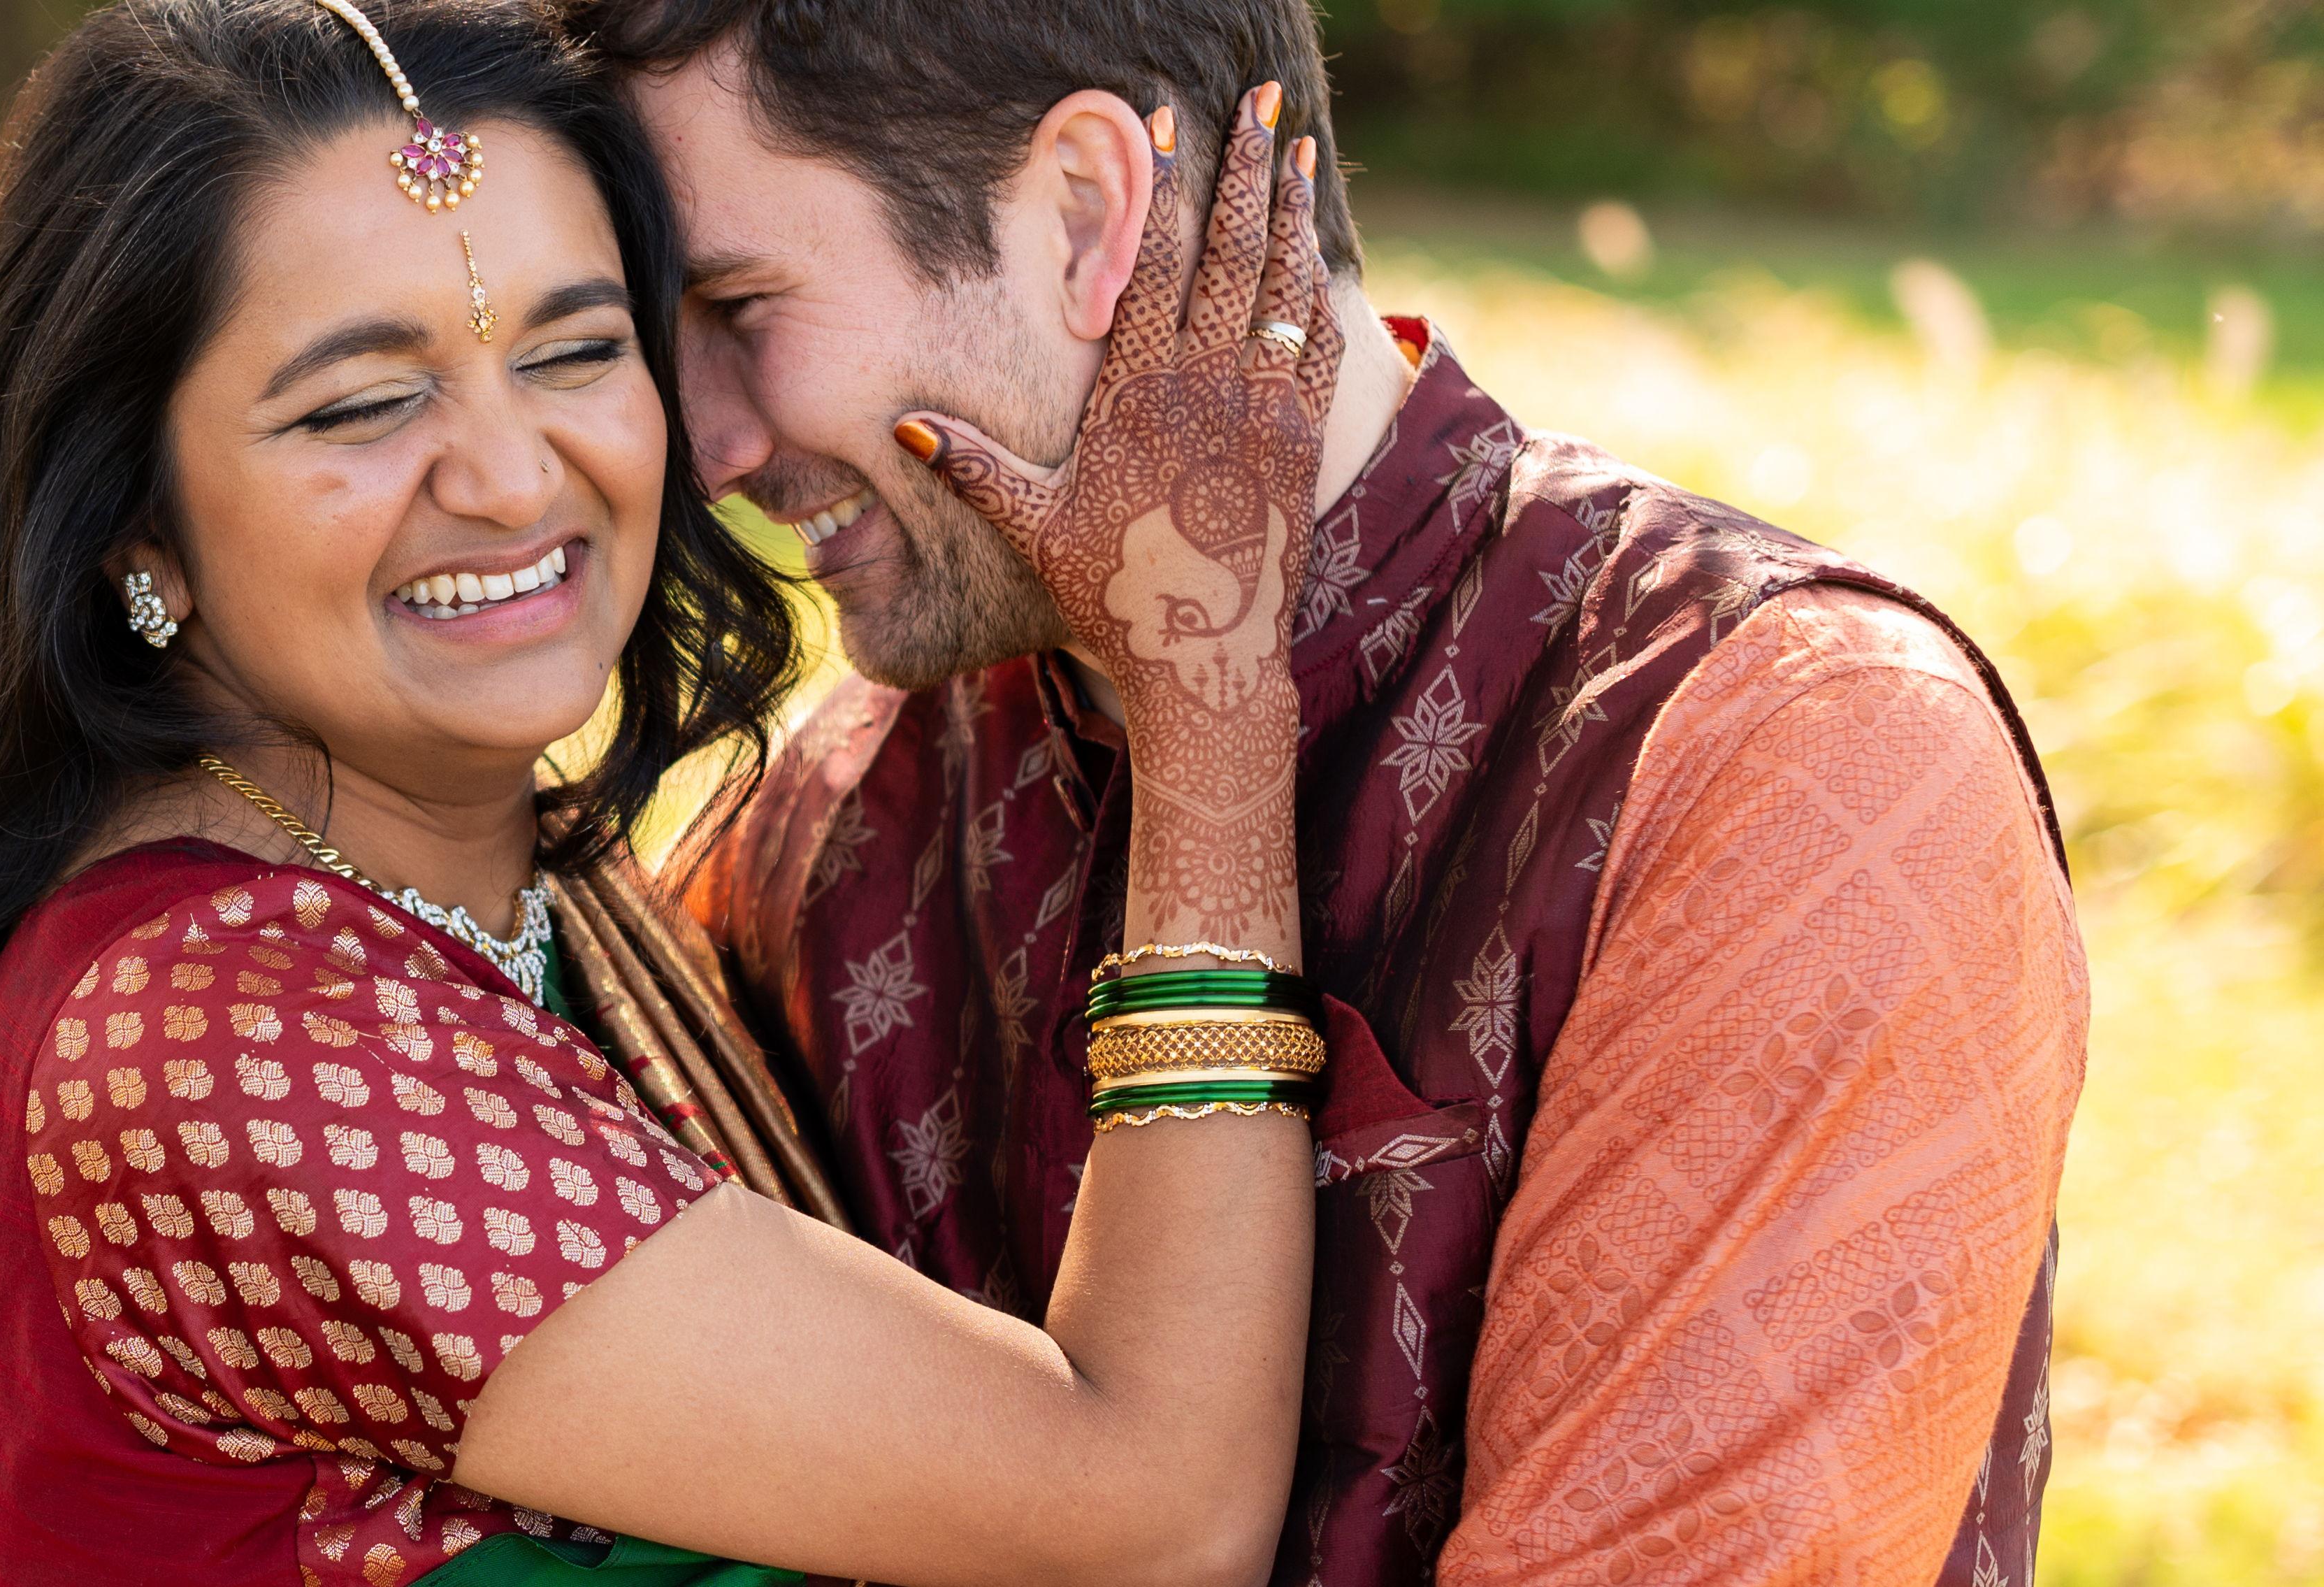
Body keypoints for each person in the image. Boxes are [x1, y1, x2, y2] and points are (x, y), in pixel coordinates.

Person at [0, 0, 1375, 1581]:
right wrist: (1206, 693)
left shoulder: (520, 886)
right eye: (362, 404)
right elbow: (1152, 1517)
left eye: (579, 351)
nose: (515, 476)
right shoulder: (216, 1040)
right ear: (135, 521)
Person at [568, 1, 2092, 1581]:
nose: (707, 443)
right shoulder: (833, 805)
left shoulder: (1776, 757)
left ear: (1086, 214)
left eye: (737, 304)